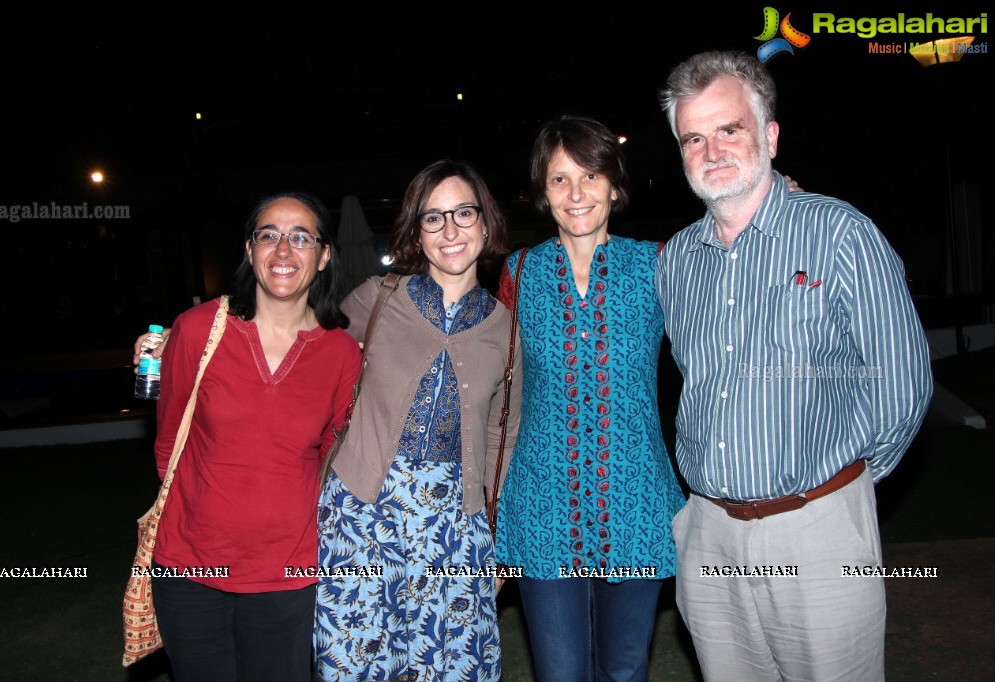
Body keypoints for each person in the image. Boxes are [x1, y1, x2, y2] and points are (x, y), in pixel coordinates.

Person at [657, 51, 933, 681]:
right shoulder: (676, 264)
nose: (712, 150)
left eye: (730, 129)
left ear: (771, 136)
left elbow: (902, 383)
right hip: (711, 534)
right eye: (693, 137)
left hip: (819, 532)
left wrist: (840, 493)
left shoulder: (839, 234)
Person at [494, 115, 686, 682]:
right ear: (542, 193)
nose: (576, 193)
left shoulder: (659, 264)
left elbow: (731, 292)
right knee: (560, 672)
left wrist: (784, 202)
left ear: (614, 186)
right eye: (559, 179)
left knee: (625, 669)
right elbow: (492, 379)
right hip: (541, 506)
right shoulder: (518, 271)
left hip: (636, 499)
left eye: (591, 175)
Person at [315, 160, 522, 681]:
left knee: (449, 665)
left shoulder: (507, 329)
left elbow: (504, 437)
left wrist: (498, 537)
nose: (450, 230)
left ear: (486, 223)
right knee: (356, 663)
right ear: (416, 231)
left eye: (463, 213)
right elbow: (299, 350)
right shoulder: (377, 299)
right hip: (362, 513)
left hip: (454, 524)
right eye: (433, 218)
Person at [146, 193, 361, 681]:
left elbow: (332, 453)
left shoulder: (343, 353)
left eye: (301, 238)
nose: (283, 251)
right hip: (190, 568)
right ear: (249, 250)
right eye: (269, 235)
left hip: (288, 571)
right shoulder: (198, 329)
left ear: (324, 256)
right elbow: (168, 441)